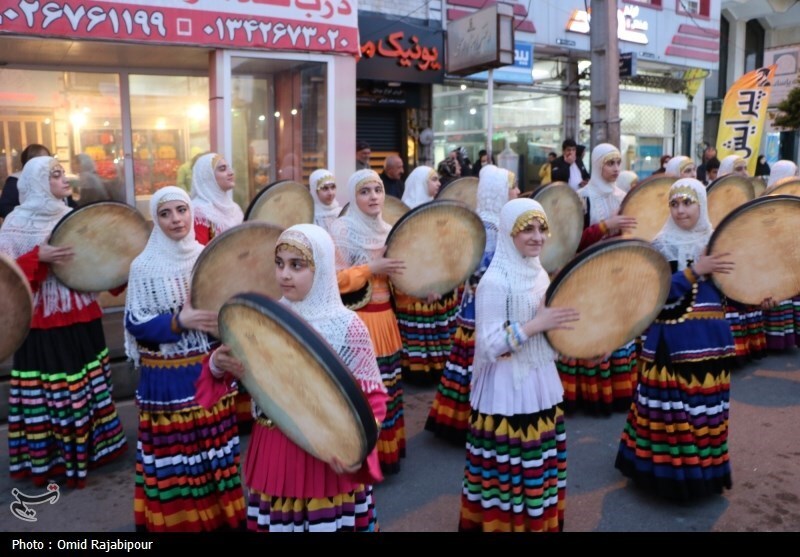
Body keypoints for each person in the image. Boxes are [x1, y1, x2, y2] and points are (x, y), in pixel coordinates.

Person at [195, 224, 388, 532]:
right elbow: (225, 378)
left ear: (322, 268)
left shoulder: (348, 326)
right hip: (274, 447)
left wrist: (358, 448)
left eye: (297, 265)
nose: (284, 274)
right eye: (279, 263)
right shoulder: (260, 319)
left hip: (327, 450)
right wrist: (217, 364)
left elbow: (373, 399)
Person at [0, 156, 127, 488]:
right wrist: (36, 258)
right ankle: (54, 455)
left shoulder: (72, 216)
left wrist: (121, 265)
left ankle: (93, 449)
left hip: (81, 314)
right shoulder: (14, 225)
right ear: (38, 183)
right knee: (54, 391)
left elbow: (96, 260)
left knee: (87, 385)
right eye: (55, 176)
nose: (64, 179)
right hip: (41, 322)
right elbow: (5, 282)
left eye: (62, 173)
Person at [124, 186, 246, 532]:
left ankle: (221, 518)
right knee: (177, 459)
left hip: (207, 368)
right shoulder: (143, 267)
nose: (176, 219)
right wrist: (179, 321)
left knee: (214, 453)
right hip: (166, 378)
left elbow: (226, 308)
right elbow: (135, 324)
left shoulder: (207, 256)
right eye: (165, 213)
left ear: (192, 213)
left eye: (181, 210)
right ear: (155, 219)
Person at [615, 178, 743, 501]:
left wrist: (759, 294)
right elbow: (651, 292)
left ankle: (707, 471)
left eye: (688, 203)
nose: (681, 210)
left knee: (706, 410)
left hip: (711, 341)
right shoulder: (659, 246)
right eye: (674, 204)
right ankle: (664, 477)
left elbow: (736, 287)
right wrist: (693, 271)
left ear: (701, 204)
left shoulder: (718, 242)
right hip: (669, 342)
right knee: (670, 411)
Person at [459, 198, 579, 532]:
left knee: (537, 469)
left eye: (542, 228)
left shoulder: (538, 272)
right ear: (510, 233)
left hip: (540, 382)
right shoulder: (494, 282)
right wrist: (534, 326)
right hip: (506, 392)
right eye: (527, 229)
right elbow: (488, 345)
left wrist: (578, 345)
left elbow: (547, 330)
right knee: (508, 476)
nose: (537, 236)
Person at [425, 165, 517, 443]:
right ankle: (483, 419)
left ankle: (462, 418)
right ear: (498, 192)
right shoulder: (488, 226)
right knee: (486, 363)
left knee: (472, 363)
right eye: (511, 187)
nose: (516, 191)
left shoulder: (490, 221)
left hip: (476, 306)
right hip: (486, 307)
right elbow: (476, 268)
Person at [329, 169, 407, 474]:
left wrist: (420, 291)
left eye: (377, 190)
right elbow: (332, 281)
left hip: (386, 320)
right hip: (355, 322)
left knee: (385, 389)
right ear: (353, 196)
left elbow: (398, 281)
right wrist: (369, 268)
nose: (373, 196)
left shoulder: (390, 230)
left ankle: (386, 455)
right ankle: (357, 454)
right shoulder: (341, 230)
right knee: (359, 391)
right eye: (364, 191)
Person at [557, 143, 639, 415]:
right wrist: (606, 226)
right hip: (587, 275)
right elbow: (572, 244)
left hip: (617, 273)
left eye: (618, 163)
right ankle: (586, 395)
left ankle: (616, 392)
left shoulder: (625, 197)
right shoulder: (581, 198)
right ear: (596, 165)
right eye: (609, 163)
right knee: (588, 327)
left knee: (613, 328)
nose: (616, 169)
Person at [396, 166, 460, 385]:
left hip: (441, 280)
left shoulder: (438, 211)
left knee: (439, 326)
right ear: (420, 183)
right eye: (433, 179)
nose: (438, 183)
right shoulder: (406, 215)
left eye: (437, 179)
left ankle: (440, 369)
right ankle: (420, 372)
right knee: (421, 327)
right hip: (418, 283)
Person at [762, 160, 800, 351]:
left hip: (791, 253)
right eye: (793, 173)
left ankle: (788, 338)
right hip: (773, 256)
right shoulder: (764, 200)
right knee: (778, 296)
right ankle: (775, 339)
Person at [1, 144, 76, 219]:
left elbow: (69, 203)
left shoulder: (54, 178)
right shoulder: (15, 181)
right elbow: (4, 208)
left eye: (47, 159)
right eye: (39, 160)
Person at [190, 152, 244, 245]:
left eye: (229, 168)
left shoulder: (234, 208)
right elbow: (205, 253)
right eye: (222, 169)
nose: (231, 172)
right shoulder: (200, 213)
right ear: (208, 176)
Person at [309, 168, 341, 233]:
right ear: (315, 191)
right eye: (325, 188)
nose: (330, 193)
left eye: (333, 187)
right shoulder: (310, 217)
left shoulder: (342, 213)